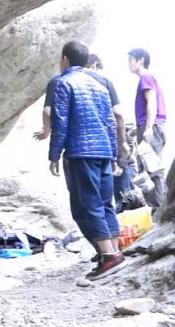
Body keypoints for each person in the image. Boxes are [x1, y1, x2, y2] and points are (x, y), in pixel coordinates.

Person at [48, 40, 125, 280]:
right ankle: (114, 252)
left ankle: (108, 257)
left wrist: (54, 155)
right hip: (103, 151)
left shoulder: (63, 83)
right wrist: (113, 154)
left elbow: (59, 122)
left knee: (89, 204)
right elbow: (111, 121)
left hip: (81, 151)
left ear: (65, 59)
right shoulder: (100, 85)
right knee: (105, 203)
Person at [128, 48, 167, 209]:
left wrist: (148, 127)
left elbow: (152, 103)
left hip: (151, 127)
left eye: (130, 59)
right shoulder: (145, 79)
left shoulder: (146, 77)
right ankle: (156, 208)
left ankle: (159, 210)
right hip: (147, 127)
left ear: (140, 60)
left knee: (153, 170)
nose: (128, 64)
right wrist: (137, 130)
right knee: (147, 169)